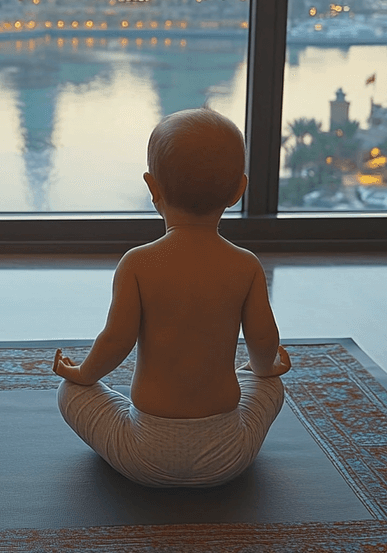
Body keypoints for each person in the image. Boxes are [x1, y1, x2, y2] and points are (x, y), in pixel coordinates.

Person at [53, 108, 290, 488]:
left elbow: (116, 341)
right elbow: (264, 341)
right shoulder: (245, 265)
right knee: (272, 384)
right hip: (228, 454)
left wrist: (81, 374)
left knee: (69, 393)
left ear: (153, 188)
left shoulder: (137, 264)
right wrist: (264, 370)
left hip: (143, 454)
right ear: (238, 190)